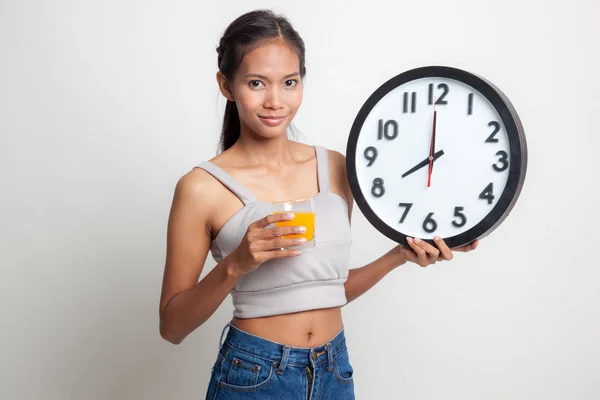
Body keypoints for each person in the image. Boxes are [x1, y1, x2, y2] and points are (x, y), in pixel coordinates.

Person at [158, 9, 479, 399]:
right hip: (254, 375)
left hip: (334, 371)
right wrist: (236, 265)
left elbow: (329, 288)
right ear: (226, 86)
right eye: (256, 83)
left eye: (289, 82)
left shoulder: (337, 167)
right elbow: (172, 327)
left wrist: (400, 254)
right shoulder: (201, 188)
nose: (275, 101)